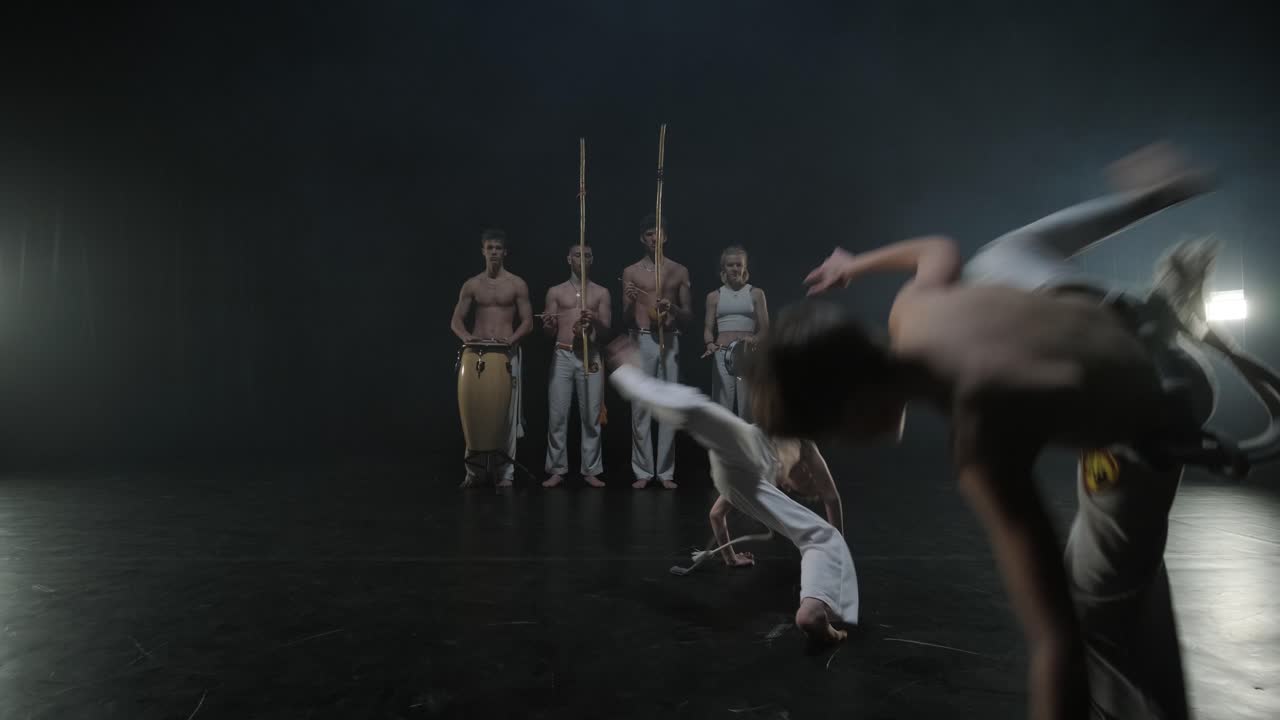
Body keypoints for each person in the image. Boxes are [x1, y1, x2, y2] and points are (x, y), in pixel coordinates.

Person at [750, 144, 1218, 719]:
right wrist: (855, 263)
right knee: (995, 258)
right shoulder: (911, 312)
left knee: (1092, 607)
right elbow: (936, 248)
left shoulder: (983, 439)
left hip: (1164, 397)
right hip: (1088, 310)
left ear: (852, 410)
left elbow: (1055, 641)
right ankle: (1148, 208)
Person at [605, 335, 859, 649]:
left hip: (742, 478)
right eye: (805, 478)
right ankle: (629, 373)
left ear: (790, 488)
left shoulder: (782, 471)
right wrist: (730, 557)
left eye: (802, 482)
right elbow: (829, 497)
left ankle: (813, 609)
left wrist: (839, 557)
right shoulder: (799, 440)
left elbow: (829, 496)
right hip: (743, 449)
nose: (805, 477)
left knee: (823, 536)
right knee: (697, 408)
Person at [450, 228, 533, 488]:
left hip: (506, 351)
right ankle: (472, 473)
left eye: (498, 248)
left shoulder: (517, 284)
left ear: (505, 252)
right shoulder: (472, 284)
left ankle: (505, 474)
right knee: (474, 410)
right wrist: (466, 337)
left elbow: (528, 322)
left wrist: (513, 338)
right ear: (483, 250)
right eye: (490, 247)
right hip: (477, 351)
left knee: (507, 414)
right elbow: (456, 320)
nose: (494, 252)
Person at [621, 213, 692, 489]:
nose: (654, 238)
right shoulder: (631, 271)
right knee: (640, 406)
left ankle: (665, 472)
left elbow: (688, 316)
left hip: (669, 338)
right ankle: (642, 471)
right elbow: (625, 318)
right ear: (642, 238)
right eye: (649, 233)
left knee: (667, 405)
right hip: (640, 338)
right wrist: (629, 300)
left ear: (666, 236)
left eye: (658, 232)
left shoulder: (679, 271)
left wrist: (672, 308)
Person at [541, 242, 612, 488]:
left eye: (587, 256)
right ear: (568, 259)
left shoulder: (601, 292)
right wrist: (549, 323)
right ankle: (557, 469)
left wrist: (595, 321)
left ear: (593, 260)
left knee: (591, 415)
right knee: (558, 414)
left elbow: (605, 331)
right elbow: (548, 332)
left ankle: (591, 469)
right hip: (562, 354)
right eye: (577, 255)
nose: (582, 259)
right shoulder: (556, 291)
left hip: (590, 355)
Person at [702, 245, 769, 420]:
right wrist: (709, 344)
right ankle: (722, 447)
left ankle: (747, 447)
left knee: (748, 409)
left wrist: (754, 338)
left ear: (745, 267)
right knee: (721, 410)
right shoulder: (714, 296)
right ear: (723, 268)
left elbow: (766, 329)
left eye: (739, 265)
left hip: (747, 355)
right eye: (730, 265)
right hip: (722, 354)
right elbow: (708, 329)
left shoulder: (756, 293)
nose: (735, 268)